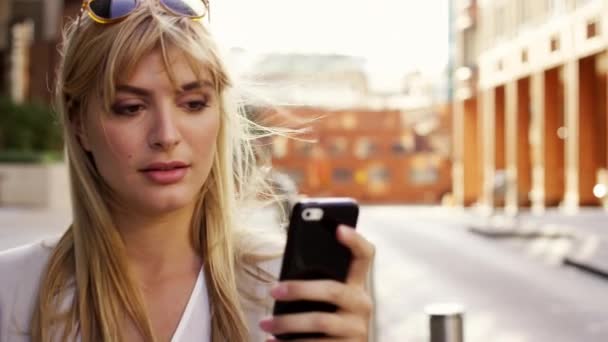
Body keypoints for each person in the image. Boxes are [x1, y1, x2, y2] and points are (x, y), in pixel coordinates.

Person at [0, 0, 375, 341]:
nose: (166, 135)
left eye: (193, 103)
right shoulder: (12, 289)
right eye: (131, 107)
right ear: (79, 123)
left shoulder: (284, 287)